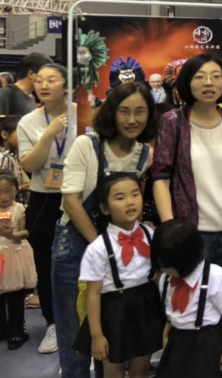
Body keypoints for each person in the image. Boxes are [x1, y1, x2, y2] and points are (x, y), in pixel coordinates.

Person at [53, 82, 157, 378]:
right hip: (77, 242)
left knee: (109, 331)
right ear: (111, 112)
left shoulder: (144, 154)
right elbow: (71, 201)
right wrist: (104, 248)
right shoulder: (88, 145)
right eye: (124, 111)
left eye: (140, 112)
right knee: (76, 334)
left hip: (114, 246)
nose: (132, 119)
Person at [152, 54, 222, 307]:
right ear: (187, 82)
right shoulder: (173, 122)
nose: (209, 82)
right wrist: (171, 229)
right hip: (189, 234)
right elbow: (160, 177)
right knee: (189, 309)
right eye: (200, 77)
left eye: (216, 76)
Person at [74, 174, 164, 378]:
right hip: (113, 312)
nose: (130, 202)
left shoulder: (151, 235)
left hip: (146, 306)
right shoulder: (98, 248)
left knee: (140, 370)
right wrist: (97, 335)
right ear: (105, 208)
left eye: (135, 194)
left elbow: (159, 275)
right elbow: (93, 294)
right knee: (114, 371)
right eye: (120, 197)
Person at [17, 62, 73, 354]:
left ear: (66, 85)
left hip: (78, 196)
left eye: (52, 79)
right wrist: (49, 133)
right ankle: (53, 323)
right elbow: (29, 165)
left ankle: (83, 319)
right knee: (46, 264)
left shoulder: (83, 113)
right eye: (39, 80)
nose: (44, 85)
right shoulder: (28, 122)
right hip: (44, 200)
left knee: (82, 259)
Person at [152, 219, 222, 378]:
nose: (164, 270)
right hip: (178, 340)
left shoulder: (214, 275)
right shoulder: (166, 279)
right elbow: (171, 310)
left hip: (206, 342)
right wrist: (166, 333)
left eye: (168, 266)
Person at [0, 172, 37, 350]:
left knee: (15, 296)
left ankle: (17, 330)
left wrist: (13, 235)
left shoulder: (19, 209)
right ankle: (2, 328)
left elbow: (25, 232)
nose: (3, 196)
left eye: (8, 191)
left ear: (16, 189)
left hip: (14, 255)